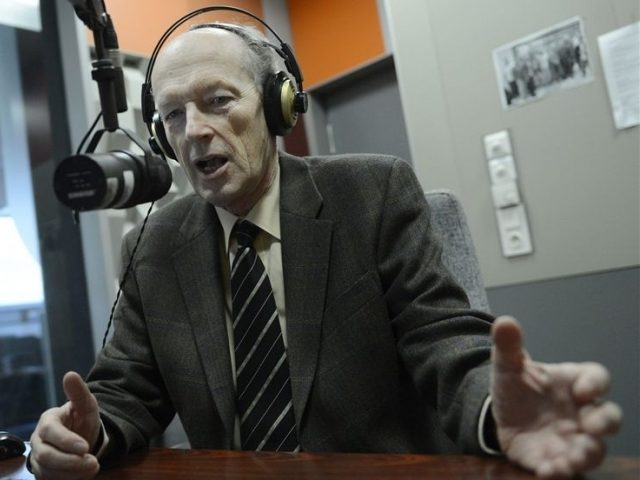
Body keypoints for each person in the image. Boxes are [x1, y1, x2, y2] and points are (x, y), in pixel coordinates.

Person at [28, 22, 621, 480]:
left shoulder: (372, 193)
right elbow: (125, 388)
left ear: (278, 104)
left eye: (218, 100)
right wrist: (84, 432)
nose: (195, 131)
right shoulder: (152, 245)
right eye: (174, 116)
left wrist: (495, 407)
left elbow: (443, 341)